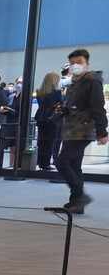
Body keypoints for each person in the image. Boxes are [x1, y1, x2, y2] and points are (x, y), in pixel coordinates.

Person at [55, 48, 108, 214]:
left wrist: (102, 131)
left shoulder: (92, 81)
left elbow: (98, 107)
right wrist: (64, 109)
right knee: (74, 164)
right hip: (71, 128)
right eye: (72, 63)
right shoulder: (75, 82)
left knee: (62, 162)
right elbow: (76, 105)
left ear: (87, 64)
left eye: (79, 62)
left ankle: (81, 196)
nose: (75, 65)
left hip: (83, 129)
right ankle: (76, 202)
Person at [34, 72, 63, 172]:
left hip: (41, 118)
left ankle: (40, 162)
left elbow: (43, 105)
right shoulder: (56, 92)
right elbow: (60, 104)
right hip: (51, 119)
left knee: (41, 141)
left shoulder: (39, 91)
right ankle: (46, 163)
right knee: (50, 142)